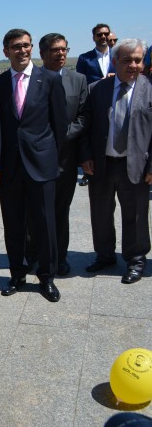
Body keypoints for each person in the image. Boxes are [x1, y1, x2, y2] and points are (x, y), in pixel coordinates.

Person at [0, 29, 67, 302]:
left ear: (32, 48)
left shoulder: (48, 79)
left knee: (45, 224)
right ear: (6, 51)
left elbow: (60, 125)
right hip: (10, 167)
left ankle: (47, 278)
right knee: (13, 224)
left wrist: (54, 160)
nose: (22, 50)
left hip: (42, 165)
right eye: (16, 46)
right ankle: (17, 275)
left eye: (26, 45)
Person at [80, 38, 152, 283]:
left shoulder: (149, 88)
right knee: (100, 212)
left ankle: (136, 260)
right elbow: (86, 126)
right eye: (127, 60)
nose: (133, 65)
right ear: (114, 61)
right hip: (102, 164)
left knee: (136, 215)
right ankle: (104, 255)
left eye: (138, 60)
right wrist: (86, 156)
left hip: (137, 166)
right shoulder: (98, 89)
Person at [30, 33, 88, 276]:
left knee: (60, 210)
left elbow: (83, 117)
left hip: (65, 158)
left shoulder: (78, 80)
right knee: (35, 211)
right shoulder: (31, 80)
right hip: (35, 158)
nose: (61, 53)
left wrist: (60, 137)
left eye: (64, 49)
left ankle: (59, 257)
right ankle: (32, 255)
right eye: (55, 50)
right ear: (42, 54)